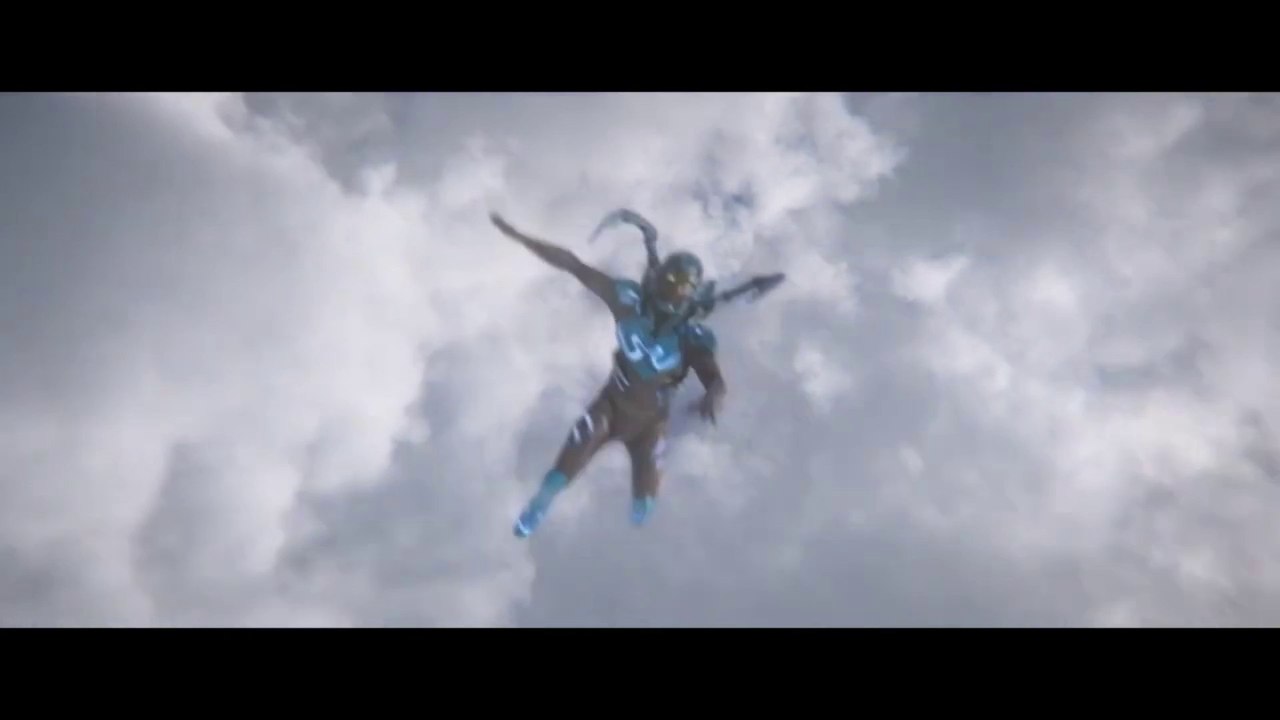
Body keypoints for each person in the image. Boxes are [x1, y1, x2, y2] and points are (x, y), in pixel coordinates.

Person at [489, 210, 727, 538]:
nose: (671, 295)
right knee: (560, 476)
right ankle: (539, 507)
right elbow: (573, 264)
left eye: (680, 289)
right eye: (669, 284)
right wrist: (522, 238)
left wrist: (715, 390)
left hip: (649, 427)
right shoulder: (630, 301)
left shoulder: (688, 334)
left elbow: (711, 372)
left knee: (643, 507)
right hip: (611, 408)